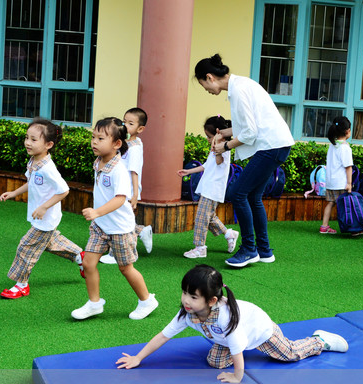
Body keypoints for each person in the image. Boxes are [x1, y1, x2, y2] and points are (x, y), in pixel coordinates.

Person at [115, 264, 348, 383]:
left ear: (212, 300)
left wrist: (238, 377)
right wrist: (138, 358)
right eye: (185, 293)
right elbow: (162, 336)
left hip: (260, 332)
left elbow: (238, 352)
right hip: (226, 340)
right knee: (215, 363)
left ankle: (319, 341)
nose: (186, 300)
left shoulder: (227, 319)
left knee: (289, 355)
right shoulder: (188, 313)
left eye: (193, 296)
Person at [195, 54, 295, 268]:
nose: (208, 91)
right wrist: (224, 133)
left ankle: (249, 249)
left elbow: (249, 132)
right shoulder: (240, 84)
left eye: (205, 86)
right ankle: (264, 250)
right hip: (276, 144)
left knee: (238, 193)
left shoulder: (238, 91)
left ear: (210, 77)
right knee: (253, 197)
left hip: (271, 146)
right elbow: (248, 126)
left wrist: (225, 145)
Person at [72, 117, 158, 320]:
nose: (94, 142)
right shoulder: (99, 162)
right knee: (88, 263)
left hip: (120, 228)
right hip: (101, 226)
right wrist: (98, 217)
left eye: (100, 138)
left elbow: (121, 199)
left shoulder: (119, 169)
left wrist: (96, 212)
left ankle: (147, 300)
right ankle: (94, 304)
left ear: (117, 144)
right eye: (93, 136)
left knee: (126, 268)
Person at [0, 118, 85, 299]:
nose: (28, 143)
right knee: (51, 243)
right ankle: (80, 256)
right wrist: (14, 193)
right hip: (41, 217)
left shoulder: (48, 169)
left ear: (49, 144)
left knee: (26, 247)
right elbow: (31, 182)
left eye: (34, 139)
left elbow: (64, 190)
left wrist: (44, 207)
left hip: (45, 218)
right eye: (27, 138)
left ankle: (21, 285)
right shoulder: (34, 161)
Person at [177, 116, 240, 258]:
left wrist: (216, 145)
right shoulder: (215, 149)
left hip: (213, 190)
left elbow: (219, 162)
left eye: (209, 136)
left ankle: (200, 247)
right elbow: (207, 166)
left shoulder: (224, 149)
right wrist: (189, 171)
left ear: (219, 134)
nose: (207, 139)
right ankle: (229, 234)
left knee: (201, 218)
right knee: (209, 217)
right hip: (208, 189)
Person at [100, 108, 153, 264]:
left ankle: (117, 253)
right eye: (124, 122)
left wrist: (135, 194)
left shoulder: (134, 148)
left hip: (127, 190)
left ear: (140, 129)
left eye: (130, 123)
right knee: (119, 218)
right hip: (118, 188)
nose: (125, 125)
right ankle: (142, 231)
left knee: (120, 220)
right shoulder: (124, 143)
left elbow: (134, 171)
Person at [319, 116, 355, 235]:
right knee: (346, 205)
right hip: (341, 183)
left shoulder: (332, 145)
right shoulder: (345, 148)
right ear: (347, 131)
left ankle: (324, 226)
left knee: (331, 203)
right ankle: (352, 228)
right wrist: (349, 184)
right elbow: (348, 167)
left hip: (330, 182)